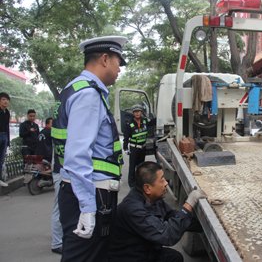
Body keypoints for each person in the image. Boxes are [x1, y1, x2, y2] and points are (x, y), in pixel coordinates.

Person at [51, 35, 127, 262]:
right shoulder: (88, 94)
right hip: (91, 192)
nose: (119, 69)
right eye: (117, 62)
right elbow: (77, 155)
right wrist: (87, 207)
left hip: (80, 190)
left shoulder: (73, 88)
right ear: (104, 59)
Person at [108, 161, 207, 262]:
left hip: (144, 250)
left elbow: (171, 215)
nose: (166, 183)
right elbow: (167, 236)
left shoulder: (152, 198)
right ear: (147, 188)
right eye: (162, 180)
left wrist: (204, 226)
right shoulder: (133, 209)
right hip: (130, 257)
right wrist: (188, 204)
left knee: (174, 257)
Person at [123, 104, 154, 188]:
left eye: (139, 111)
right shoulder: (129, 124)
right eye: (135, 112)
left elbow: (152, 122)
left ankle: (139, 181)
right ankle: (132, 184)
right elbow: (126, 137)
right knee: (132, 167)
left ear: (141, 112)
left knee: (141, 166)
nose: (137, 113)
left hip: (142, 148)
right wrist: (125, 148)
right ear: (133, 113)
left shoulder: (145, 121)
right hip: (134, 148)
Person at [0, 92, 10, 187]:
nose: (5, 101)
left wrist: (8, 141)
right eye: (3, 99)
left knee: (1, 159)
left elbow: (7, 127)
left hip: (4, 136)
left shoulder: (7, 112)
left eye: (7, 100)